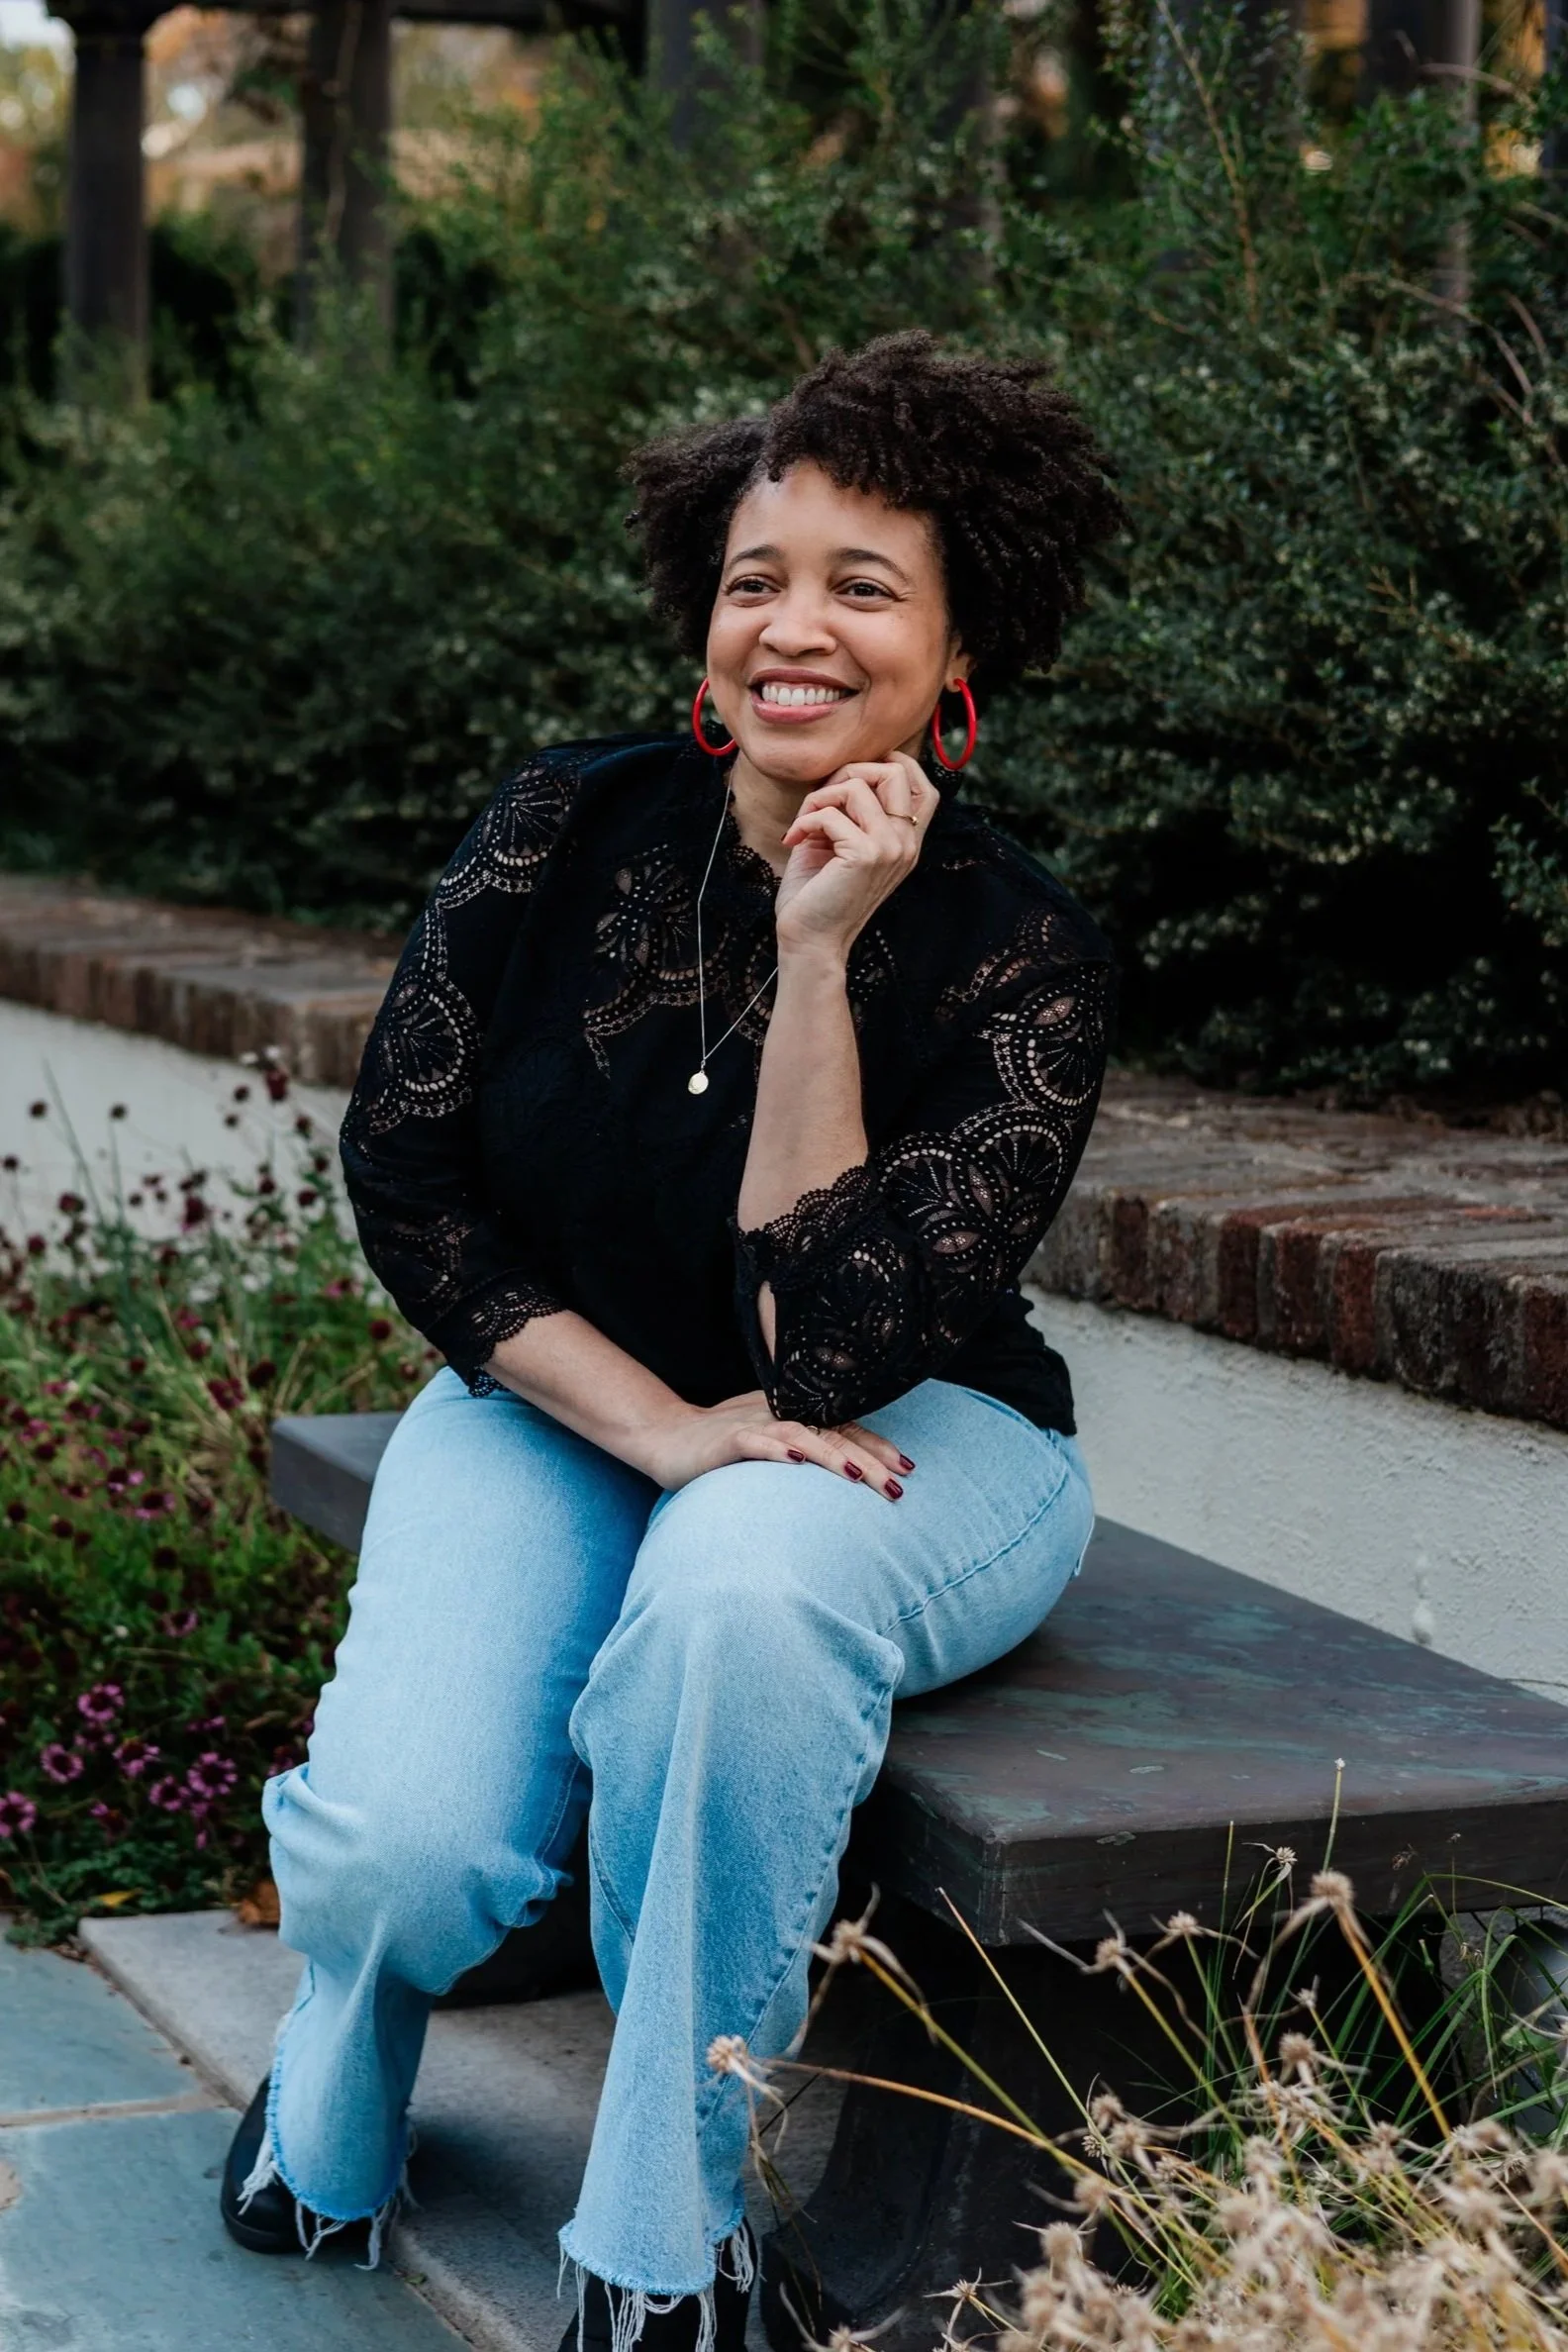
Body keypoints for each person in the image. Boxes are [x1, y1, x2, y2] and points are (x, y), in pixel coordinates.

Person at [218, 330, 1124, 2351]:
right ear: (699, 627)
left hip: (910, 1440)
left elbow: (824, 1355)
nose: (792, 628)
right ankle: (334, 2052)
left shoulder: (1022, 943)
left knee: (735, 1608)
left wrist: (819, 952)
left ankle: (663, 2229)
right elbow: (410, 1174)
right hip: (568, 1404)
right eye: (754, 580)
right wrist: (652, 1429)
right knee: (406, 1846)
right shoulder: (560, 829)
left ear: (963, 646)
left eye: (862, 587)